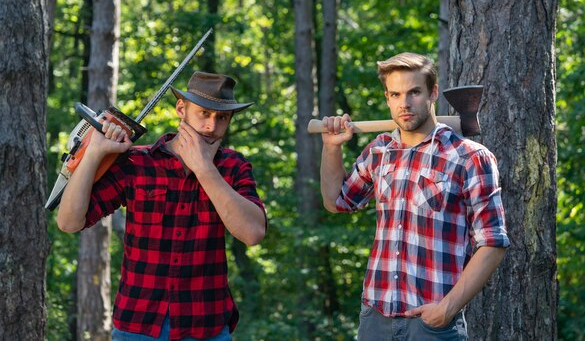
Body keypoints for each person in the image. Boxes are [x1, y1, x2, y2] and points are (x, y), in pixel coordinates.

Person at [57, 72, 267, 341]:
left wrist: (204, 169)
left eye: (222, 117)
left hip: (206, 327)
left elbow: (252, 233)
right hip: (137, 326)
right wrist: (95, 152)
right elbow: (69, 222)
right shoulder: (138, 163)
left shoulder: (234, 167)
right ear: (182, 109)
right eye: (204, 113)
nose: (211, 126)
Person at [319, 53, 510, 341]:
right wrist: (332, 148)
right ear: (387, 98)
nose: (404, 103)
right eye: (395, 94)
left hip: (432, 324)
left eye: (414, 92)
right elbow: (336, 201)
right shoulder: (380, 150)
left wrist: (446, 309)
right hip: (375, 318)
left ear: (433, 93)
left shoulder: (469, 157)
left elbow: (493, 243)